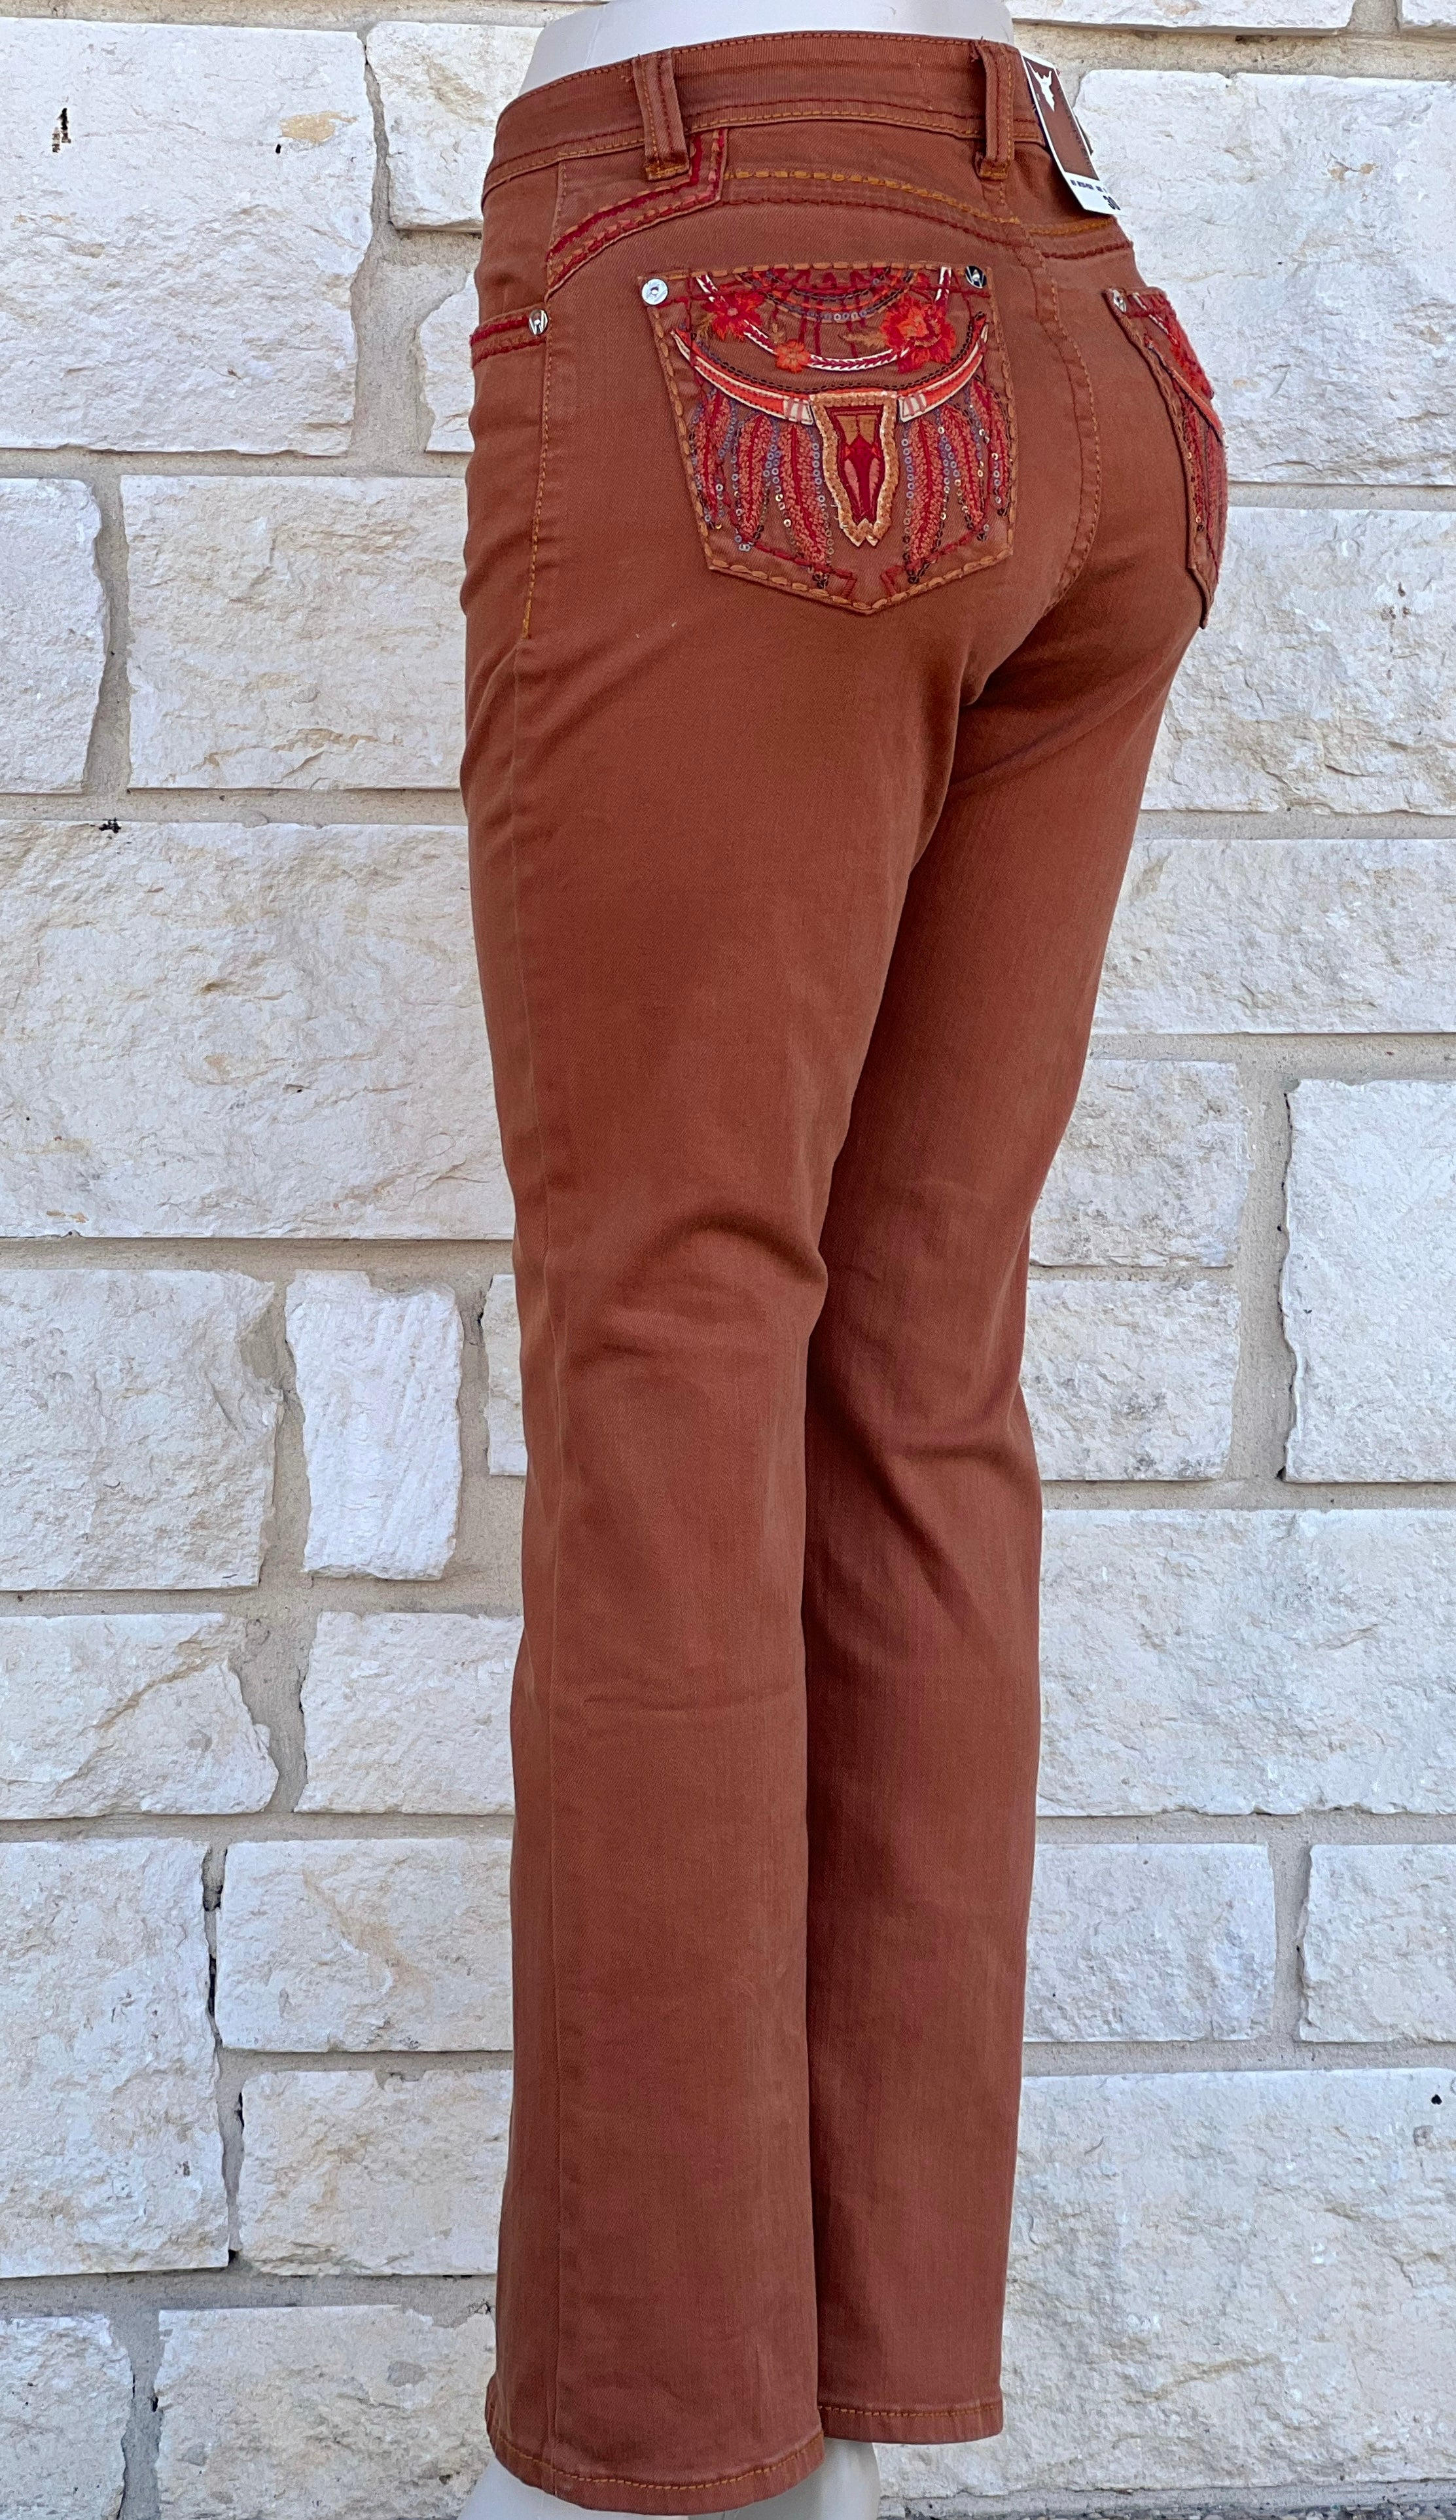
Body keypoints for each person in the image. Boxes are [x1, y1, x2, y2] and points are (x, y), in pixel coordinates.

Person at [457, 6, 1226, 2517]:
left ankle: (657, 2447)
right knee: (912, 1384)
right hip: (1091, 333)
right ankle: (873, 2417)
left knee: (673, 1351)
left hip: (754, 290)